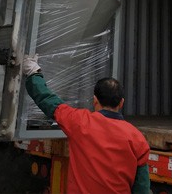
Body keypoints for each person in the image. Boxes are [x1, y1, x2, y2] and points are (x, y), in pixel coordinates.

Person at [22, 55, 150, 194]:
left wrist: (33, 72)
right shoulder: (137, 138)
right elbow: (142, 188)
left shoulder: (79, 122)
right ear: (121, 103)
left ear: (95, 100)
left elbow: (48, 100)